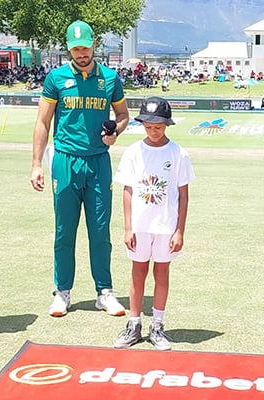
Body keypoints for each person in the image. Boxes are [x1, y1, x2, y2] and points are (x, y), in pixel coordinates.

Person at [30, 20, 129, 318]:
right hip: (65, 161)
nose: (81, 54)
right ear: (69, 49)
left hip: (99, 162)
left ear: (94, 44)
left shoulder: (110, 79)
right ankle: (62, 292)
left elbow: (123, 115)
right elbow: (43, 122)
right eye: (75, 49)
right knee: (64, 231)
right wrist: (36, 164)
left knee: (100, 231)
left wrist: (116, 132)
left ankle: (104, 292)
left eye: (85, 47)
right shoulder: (56, 78)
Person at [112, 97, 195, 351]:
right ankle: (134, 324)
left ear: (167, 124)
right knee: (138, 272)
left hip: (166, 226)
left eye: (158, 126)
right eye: (148, 126)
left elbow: (183, 194)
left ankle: (157, 325)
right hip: (140, 225)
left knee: (161, 272)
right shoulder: (134, 151)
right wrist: (127, 227)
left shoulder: (178, 153)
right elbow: (127, 190)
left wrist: (179, 230)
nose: (153, 130)